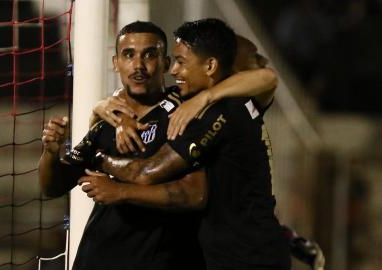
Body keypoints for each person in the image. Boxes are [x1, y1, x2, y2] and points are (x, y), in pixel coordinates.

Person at [39, 20, 278, 270]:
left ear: (164, 63)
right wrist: (51, 153)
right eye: (128, 55)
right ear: (115, 63)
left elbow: (194, 193)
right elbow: (54, 187)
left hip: (166, 260)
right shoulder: (108, 120)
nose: (138, 66)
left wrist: (112, 178)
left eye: (149, 55)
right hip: (96, 258)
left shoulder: (188, 113)